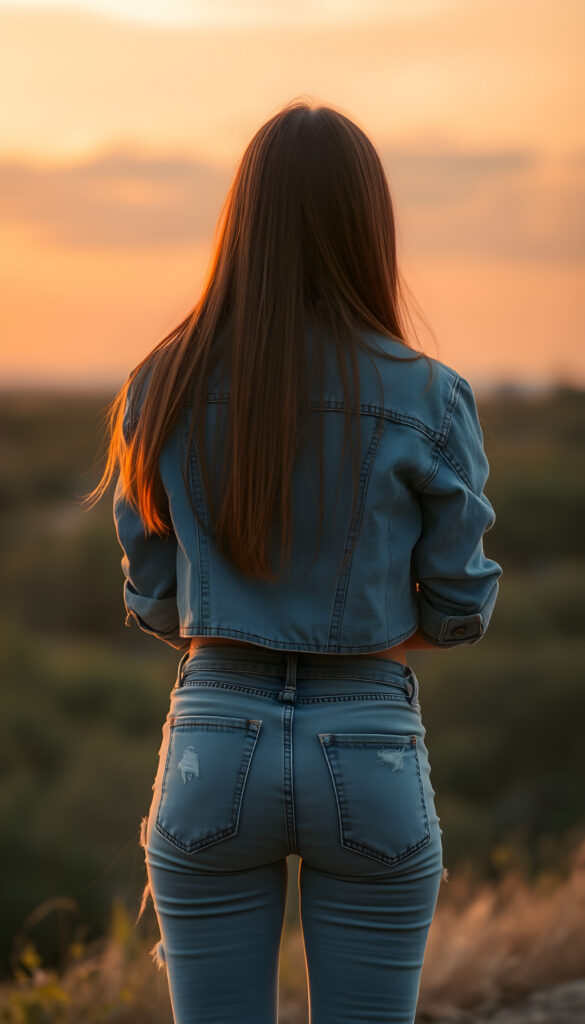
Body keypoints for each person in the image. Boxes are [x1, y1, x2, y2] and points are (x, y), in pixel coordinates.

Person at [85, 99, 502, 1024]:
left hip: (212, 733)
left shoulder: (163, 382)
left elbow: (155, 601)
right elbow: (461, 606)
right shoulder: (432, 396)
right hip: (369, 741)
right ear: (368, 225)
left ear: (245, 219)